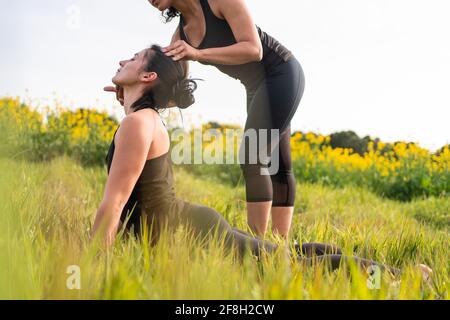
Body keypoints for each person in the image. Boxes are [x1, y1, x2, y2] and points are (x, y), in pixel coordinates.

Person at [92, 45, 423, 277]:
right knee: (285, 257)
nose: (123, 60)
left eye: (134, 58)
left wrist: (93, 266)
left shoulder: (138, 123)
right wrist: (128, 96)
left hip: (192, 234)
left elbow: (114, 204)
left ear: (148, 77)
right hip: (187, 228)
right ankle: (350, 256)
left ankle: (405, 277)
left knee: (290, 267)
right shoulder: (142, 119)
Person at [143, 0, 306, 238]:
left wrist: (198, 54)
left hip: (281, 73)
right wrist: (134, 94)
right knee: (275, 163)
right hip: (255, 86)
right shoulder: (180, 36)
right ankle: (279, 248)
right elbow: (173, 85)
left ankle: (258, 248)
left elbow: (253, 49)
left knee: (253, 157)